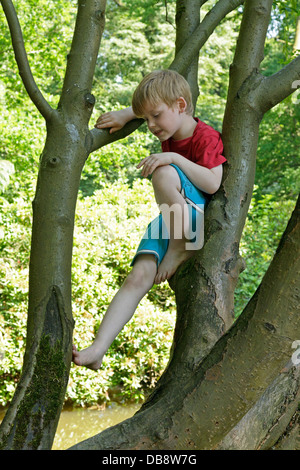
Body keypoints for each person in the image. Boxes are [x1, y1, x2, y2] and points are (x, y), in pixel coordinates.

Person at [72, 69, 226, 370]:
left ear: (181, 106)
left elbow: (212, 183)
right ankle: (98, 349)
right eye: (146, 119)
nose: (151, 125)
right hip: (169, 217)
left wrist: (173, 158)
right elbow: (153, 108)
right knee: (138, 276)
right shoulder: (166, 120)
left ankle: (183, 247)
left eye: (155, 117)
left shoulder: (205, 137)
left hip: (192, 220)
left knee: (164, 172)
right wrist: (125, 114)